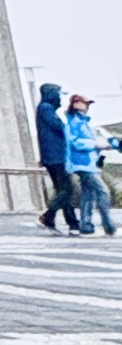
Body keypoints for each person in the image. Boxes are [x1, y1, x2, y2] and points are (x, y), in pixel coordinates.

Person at [67, 95, 114, 238]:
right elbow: (75, 142)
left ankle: (86, 226)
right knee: (103, 192)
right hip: (83, 164)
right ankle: (108, 226)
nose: (87, 106)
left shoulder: (83, 122)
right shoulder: (75, 122)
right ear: (75, 104)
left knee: (89, 194)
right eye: (84, 103)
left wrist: (101, 148)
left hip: (88, 163)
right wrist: (96, 145)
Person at [38, 82, 82, 233]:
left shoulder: (46, 108)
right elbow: (58, 126)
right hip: (55, 157)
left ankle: (72, 223)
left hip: (55, 156)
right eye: (58, 94)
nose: (60, 98)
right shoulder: (45, 108)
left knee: (63, 191)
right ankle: (48, 215)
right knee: (67, 189)